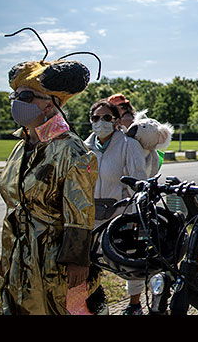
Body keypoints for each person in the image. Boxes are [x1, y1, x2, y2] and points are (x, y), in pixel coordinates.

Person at [0, 55, 102, 315]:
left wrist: (77, 260)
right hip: (19, 260)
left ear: (50, 104)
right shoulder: (21, 148)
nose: (16, 103)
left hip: (54, 263)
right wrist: (8, 253)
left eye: (26, 97)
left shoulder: (71, 149)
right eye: (15, 96)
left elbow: (80, 211)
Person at [84, 98, 149, 315]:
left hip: (120, 215)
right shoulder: (84, 148)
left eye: (106, 117)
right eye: (95, 118)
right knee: (89, 264)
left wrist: (132, 214)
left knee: (130, 261)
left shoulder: (129, 146)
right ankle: (96, 305)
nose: (100, 122)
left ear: (116, 120)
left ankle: (134, 304)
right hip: (91, 216)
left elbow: (138, 181)